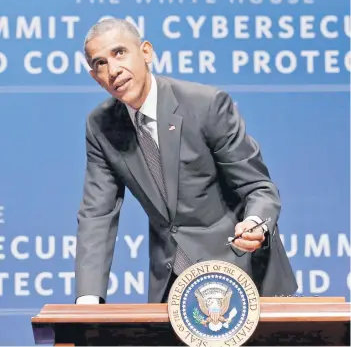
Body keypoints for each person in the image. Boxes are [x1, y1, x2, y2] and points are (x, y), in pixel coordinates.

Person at [75, 17, 297, 304]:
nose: (113, 70)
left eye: (119, 53)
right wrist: (88, 300)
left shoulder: (205, 105)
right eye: (100, 63)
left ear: (146, 52)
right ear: (95, 78)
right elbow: (97, 214)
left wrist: (256, 223)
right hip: (174, 287)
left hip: (243, 271)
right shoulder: (101, 125)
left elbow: (258, 187)